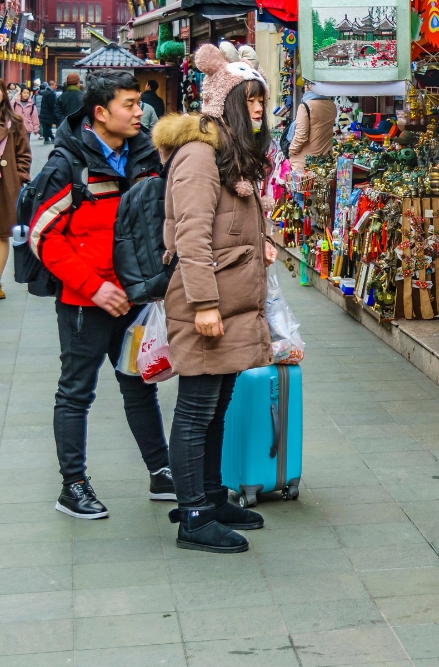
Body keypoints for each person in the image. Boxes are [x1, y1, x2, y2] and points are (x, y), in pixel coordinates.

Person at [26, 70, 174, 518]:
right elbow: (42, 236)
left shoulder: (147, 154)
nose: (139, 111)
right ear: (100, 112)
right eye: (129, 104)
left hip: (135, 300)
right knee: (76, 392)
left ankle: (161, 471)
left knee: (139, 384)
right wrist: (94, 286)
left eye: (137, 103)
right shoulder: (67, 164)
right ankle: (73, 485)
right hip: (84, 302)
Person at [156, 44, 274, 553]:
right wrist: (204, 304)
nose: (258, 110)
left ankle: (209, 494)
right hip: (207, 307)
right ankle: (194, 516)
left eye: (262, 102)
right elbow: (192, 235)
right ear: (225, 103)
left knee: (218, 406)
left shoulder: (232, 155)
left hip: (232, 306)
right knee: (196, 409)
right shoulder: (200, 157)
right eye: (248, 101)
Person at [0, 90, 33, 300]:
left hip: (5, 184)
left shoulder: (14, 122)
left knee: (1, 234)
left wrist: (19, 176)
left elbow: (24, 153)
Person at [287, 89, 335, 173]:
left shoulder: (305, 106)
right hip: (324, 160)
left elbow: (301, 136)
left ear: (309, 86)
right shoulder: (332, 106)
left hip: (304, 162)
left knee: (304, 185)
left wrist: (291, 151)